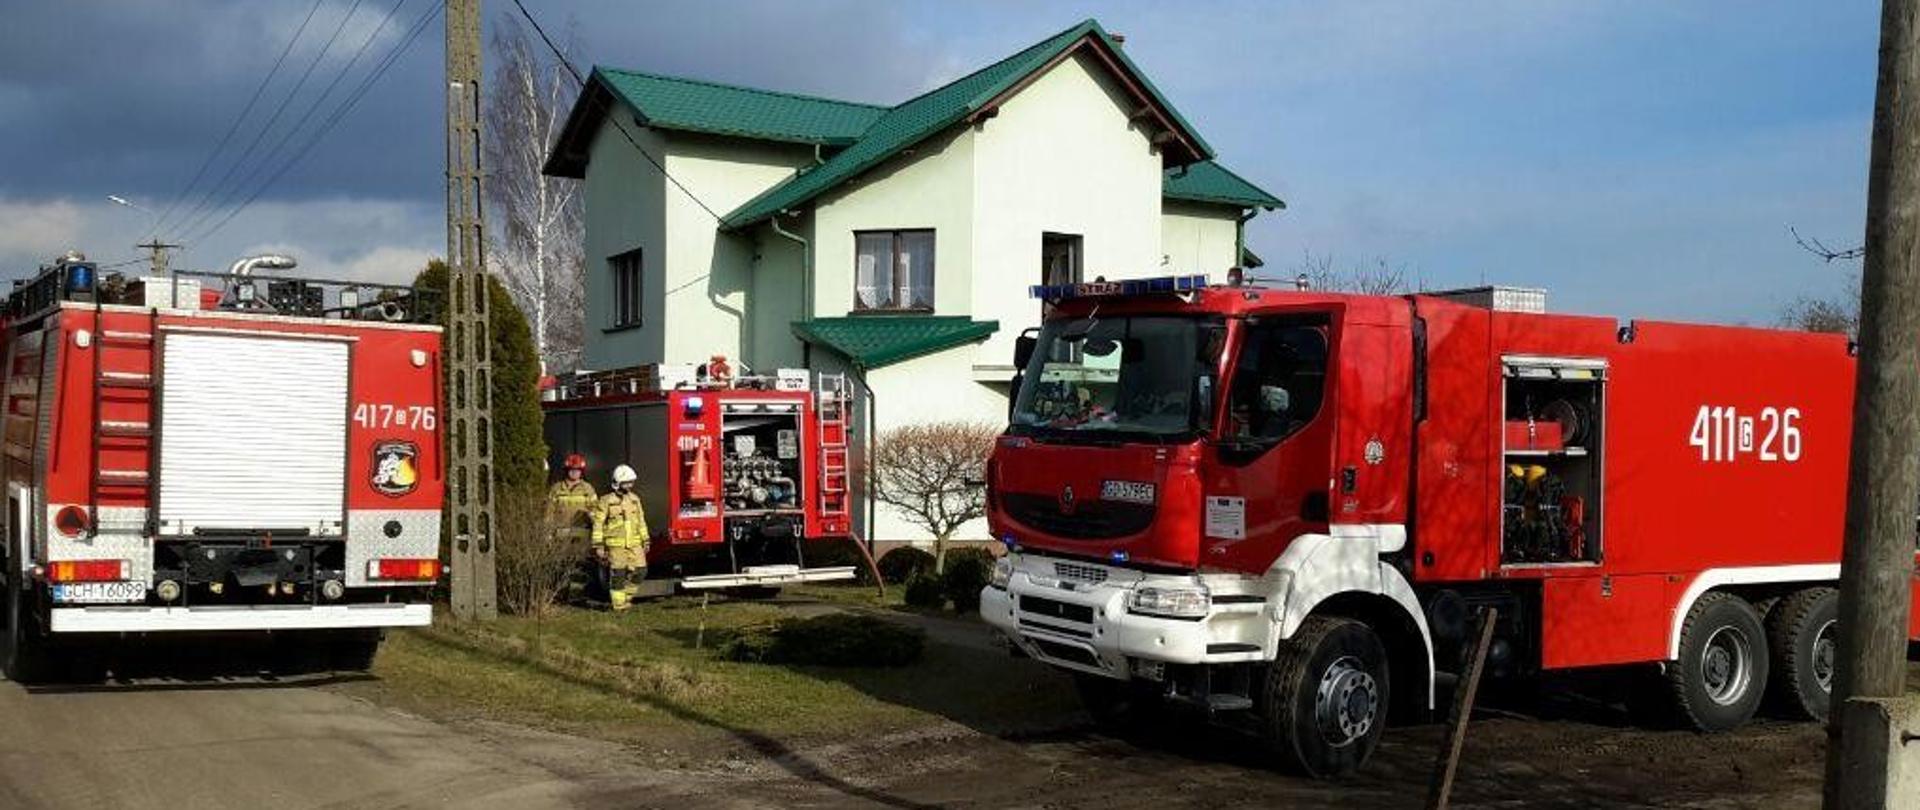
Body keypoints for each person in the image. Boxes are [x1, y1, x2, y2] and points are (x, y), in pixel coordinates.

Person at [591, 464, 649, 612]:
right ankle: (619, 606)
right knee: (618, 575)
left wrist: (646, 540)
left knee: (641, 571)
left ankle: (627, 597)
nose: (630, 485)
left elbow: (641, 521)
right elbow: (598, 523)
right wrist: (598, 545)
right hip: (615, 546)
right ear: (617, 483)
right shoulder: (606, 501)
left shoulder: (635, 499)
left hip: (635, 544)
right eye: (626, 483)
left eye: (631, 482)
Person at [548, 454, 598, 600]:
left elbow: (595, 510)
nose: (574, 473)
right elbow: (549, 511)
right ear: (566, 471)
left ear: (582, 472)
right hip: (560, 534)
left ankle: (578, 595)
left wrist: (594, 523)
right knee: (561, 564)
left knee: (581, 564)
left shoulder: (588, 489)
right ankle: (562, 594)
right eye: (571, 470)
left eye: (577, 470)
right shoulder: (556, 489)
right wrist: (548, 531)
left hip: (582, 535)